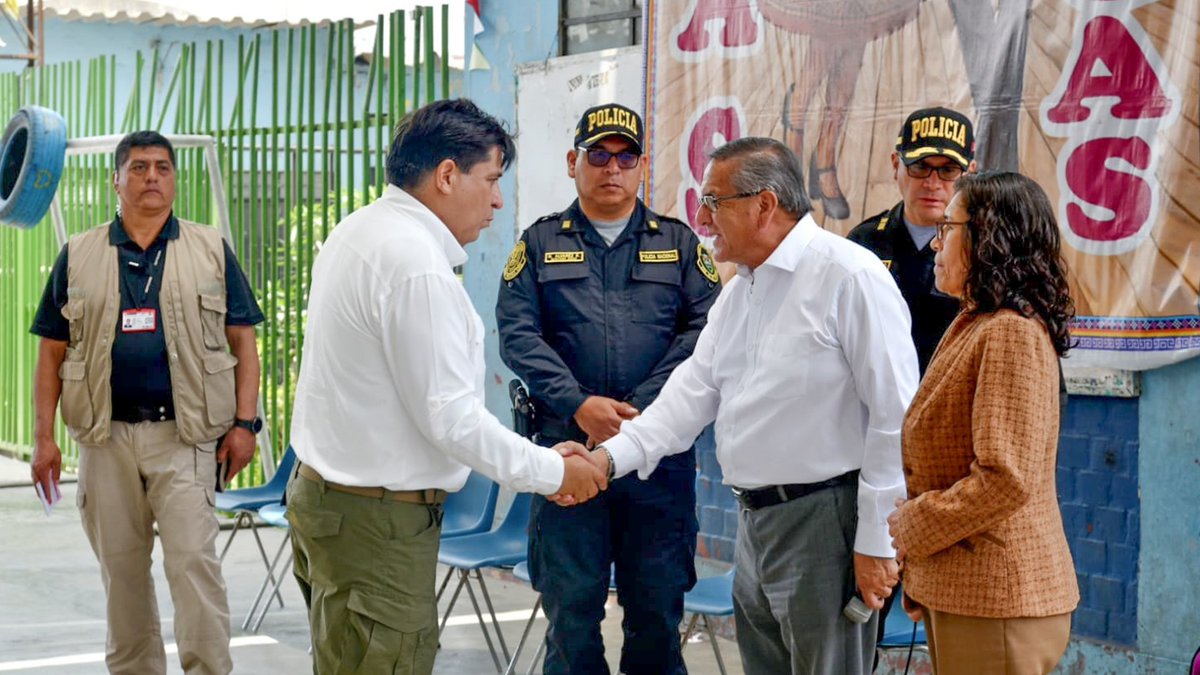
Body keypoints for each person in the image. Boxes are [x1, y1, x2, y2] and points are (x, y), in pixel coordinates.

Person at [286, 98, 607, 675]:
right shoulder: (414, 266)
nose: (497, 201)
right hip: (376, 525)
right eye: (490, 179)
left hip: (336, 508)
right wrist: (554, 472)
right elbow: (450, 418)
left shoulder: (359, 232)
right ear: (446, 176)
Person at [588, 136, 919, 674]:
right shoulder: (741, 291)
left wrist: (876, 540)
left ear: (764, 204)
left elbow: (895, 417)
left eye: (713, 202)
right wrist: (606, 460)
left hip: (824, 526)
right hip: (755, 525)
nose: (701, 217)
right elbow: (689, 395)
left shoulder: (848, 276)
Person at [496, 102, 720, 674]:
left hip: (657, 464)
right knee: (571, 615)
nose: (611, 168)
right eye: (598, 155)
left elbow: (706, 333)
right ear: (574, 161)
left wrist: (639, 412)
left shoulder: (680, 244)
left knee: (656, 615)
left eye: (625, 156)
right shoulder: (540, 244)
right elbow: (518, 337)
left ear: (642, 165)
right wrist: (578, 404)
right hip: (566, 456)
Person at [29, 131, 264, 675]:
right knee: (122, 576)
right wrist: (44, 439)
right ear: (116, 180)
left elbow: (243, 343)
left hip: (185, 440)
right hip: (104, 442)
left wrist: (245, 424)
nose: (151, 177)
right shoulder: (79, 254)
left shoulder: (209, 248)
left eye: (162, 167)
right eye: (137, 168)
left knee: (194, 567)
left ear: (176, 179)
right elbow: (50, 355)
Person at [887, 171, 1079, 674]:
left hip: (1000, 598)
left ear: (989, 238)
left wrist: (915, 527)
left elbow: (1004, 478)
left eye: (948, 227)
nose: (935, 242)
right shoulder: (978, 320)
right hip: (974, 592)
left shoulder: (1010, 333)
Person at [848, 106, 976, 375]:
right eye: (920, 167)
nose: (932, 183)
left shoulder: (985, 248)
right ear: (896, 165)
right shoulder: (864, 242)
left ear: (970, 173)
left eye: (948, 170)